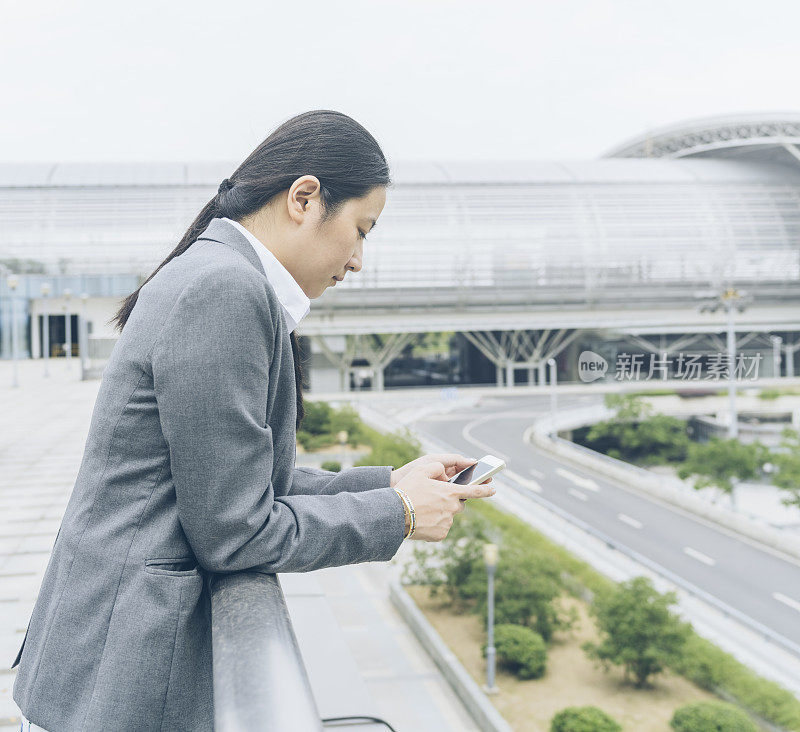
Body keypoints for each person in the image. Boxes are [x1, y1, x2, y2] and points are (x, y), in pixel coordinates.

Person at [11, 109, 495, 731]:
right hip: (116, 679)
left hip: (105, 665)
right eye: (362, 229)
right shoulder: (223, 290)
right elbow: (237, 531)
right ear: (304, 198)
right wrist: (396, 516)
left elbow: (255, 481)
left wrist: (392, 485)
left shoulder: (223, 277)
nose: (358, 260)